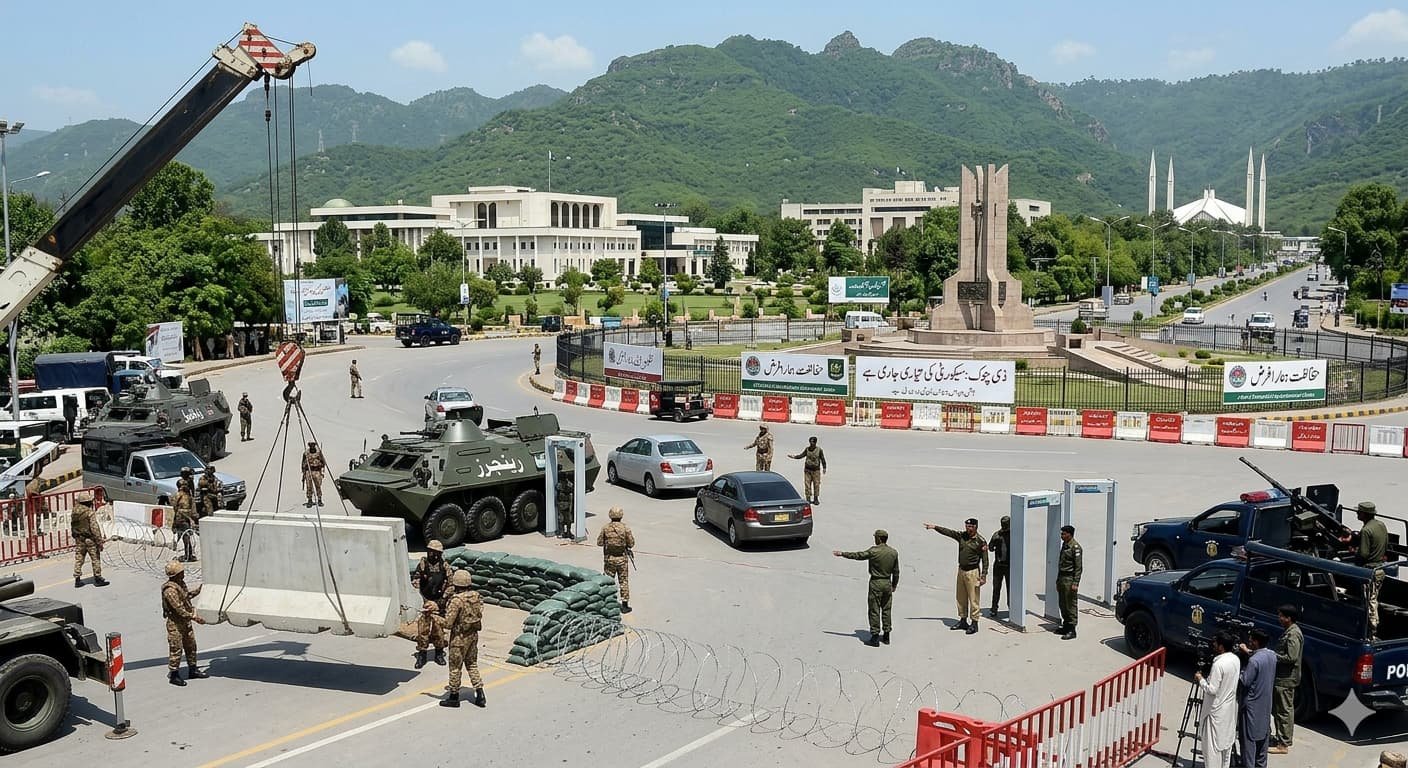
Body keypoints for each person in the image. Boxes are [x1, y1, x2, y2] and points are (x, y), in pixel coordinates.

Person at [833, 529, 900, 647]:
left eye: (875, 537)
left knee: (874, 610)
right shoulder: (893, 552)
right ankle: (886, 636)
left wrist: (843, 554)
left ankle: (874, 637)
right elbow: (896, 572)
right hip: (887, 583)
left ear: (879, 539)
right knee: (886, 609)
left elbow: (858, 555)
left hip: (876, 583)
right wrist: (894, 585)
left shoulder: (873, 551)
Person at [923, 518, 988, 635]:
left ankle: (974, 623)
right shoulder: (961, 536)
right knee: (960, 597)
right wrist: (935, 527)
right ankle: (963, 620)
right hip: (961, 570)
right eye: (966, 526)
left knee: (974, 599)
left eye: (970, 527)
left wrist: (983, 575)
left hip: (973, 572)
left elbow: (985, 560)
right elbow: (948, 532)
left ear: (975, 527)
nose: (967, 528)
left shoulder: (980, 541)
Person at [1193, 630, 1240, 768]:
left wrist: (1200, 679)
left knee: (1212, 749)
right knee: (1225, 747)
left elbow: (1212, 689)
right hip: (1229, 710)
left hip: (1215, 712)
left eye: (1215, 643)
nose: (1213, 645)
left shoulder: (1219, 664)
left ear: (1221, 646)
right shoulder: (1235, 660)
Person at [440, 569, 486, 708]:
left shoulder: (456, 601)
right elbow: (480, 610)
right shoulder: (476, 596)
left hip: (459, 639)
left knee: (455, 668)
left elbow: (448, 623)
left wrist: (434, 617)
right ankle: (480, 693)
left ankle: (454, 696)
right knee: (472, 664)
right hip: (472, 636)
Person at [1343, 501, 1389, 639]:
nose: (1357, 513)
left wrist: (1353, 551)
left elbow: (1363, 554)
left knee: (1370, 602)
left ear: (1364, 514)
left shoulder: (1366, 530)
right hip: (1381, 568)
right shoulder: (1381, 525)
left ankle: (1372, 633)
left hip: (1370, 571)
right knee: (1373, 599)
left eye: (1359, 512)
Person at [162, 559, 208, 686]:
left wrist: (199, 590)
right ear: (175, 574)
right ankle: (174, 674)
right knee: (176, 648)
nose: (183, 573)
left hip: (185, 622)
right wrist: (195, 618)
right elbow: (179, 609)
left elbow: (186, 597)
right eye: (181, 572)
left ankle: (192, 669)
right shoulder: (170, 591)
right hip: (176, 624)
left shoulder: (180, 584)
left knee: (191, 646)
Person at [1237, 628, 1277, 768]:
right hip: (1265, 708)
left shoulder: (1253, 661)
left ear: (1256, 641)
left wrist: (1240, 668)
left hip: (1251, 709)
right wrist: (1247, 652)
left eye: (1251, 640)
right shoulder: (1272, 656)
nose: (1249, 642)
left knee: (1248, 746)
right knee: (1262, 747)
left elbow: (1245, 680)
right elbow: (1260, 657)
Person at [1269, 604, 1303, 755]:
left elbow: (1291, 657)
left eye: (1282, 616)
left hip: (1286, 679)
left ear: (1289, 618)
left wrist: (1272, 655)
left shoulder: (1293, 635)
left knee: (1284, 711)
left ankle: (1283, 744)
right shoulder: (1289, 632)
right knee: (1279, 709)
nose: (1279, 618)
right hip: (1282, 677)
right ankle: (1280, 738)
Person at [411, 540, 451, 668]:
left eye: (435, 553)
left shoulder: (445, 566)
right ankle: (422, 654)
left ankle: (439, 653)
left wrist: (442, 600)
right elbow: (416, 580)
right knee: (423, 630)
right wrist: (421, 598)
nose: (432, 555)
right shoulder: (423, 565)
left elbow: (451, 584)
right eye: (431, 552)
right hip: (425, 601)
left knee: (438, 630)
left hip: (439, 602)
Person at [597, 507, 635, 613]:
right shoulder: (625, 528)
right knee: (623, 581)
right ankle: (625, 605)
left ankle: (608, 602)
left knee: (608, 581)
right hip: (622, 559)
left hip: (609, 559)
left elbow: (599, 542)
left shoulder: (605, 528)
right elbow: (631, 543)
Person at [71, 490, 109, 588]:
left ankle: (77, 579)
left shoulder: (74, 511)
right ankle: (97, 578)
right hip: (89, 539)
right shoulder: (89, 512)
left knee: (79, 559)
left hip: (79, 539)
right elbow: (94, 528)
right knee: (95, 558)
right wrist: (99, 541)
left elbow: (74, 525)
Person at [1056, 525, 1082, 640]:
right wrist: (1058, 580)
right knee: (1063, 604)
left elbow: (1078, 567)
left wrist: (1075, 583)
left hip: (1069, 579)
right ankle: (1066, 626)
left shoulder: (1075, 548)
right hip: (1062, 578)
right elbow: (1061, 564)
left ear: (1069, 534)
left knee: (1070, 605)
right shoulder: (1065, 545)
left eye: (1063, 534)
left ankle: (1072, 629)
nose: (1062, 536)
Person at [787, 436, 827, 504]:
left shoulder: (819, 450)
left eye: (813, 442)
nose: (811, 444)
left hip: (816, 471)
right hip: (807, 470)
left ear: (815, 443)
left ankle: (816, 498)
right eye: (810, 442)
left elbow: (822, 459)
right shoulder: (807, 449)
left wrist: (824, 468)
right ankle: (808, 498)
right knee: (807, 484)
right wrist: (794, 457)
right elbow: (801, 455)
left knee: (816, 484)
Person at [988, 516, 1011, 617]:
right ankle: (994, 608)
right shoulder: (997, 535)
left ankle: (1012, 607)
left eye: (1006, 524)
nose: (1004, 526)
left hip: (1010, 566)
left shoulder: (1013, 534)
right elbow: (990, 548)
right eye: (1003, 524)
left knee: (1010, 588)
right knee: (996, 588)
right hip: (998, 565)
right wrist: (995, 542)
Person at [172, 478, 198, 562]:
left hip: (180, 519)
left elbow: (175, 508)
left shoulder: (177, 495)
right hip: (187, 519)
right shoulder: (189, 496)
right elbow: (194, 511)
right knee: (186, 536)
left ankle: (188, 556)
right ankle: (189, 554)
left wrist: (174, 523)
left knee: (185, 537)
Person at [302, 442, 326, 507]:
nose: (312, 446)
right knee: (309, 486)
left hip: (317, 471)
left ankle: (319, 499)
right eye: (310, 445)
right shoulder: (306, 453)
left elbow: (323, 462)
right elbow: (303, 463)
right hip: (308, 471)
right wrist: (303, 473)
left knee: (318, 485)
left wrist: (322, 471)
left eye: (313, 445)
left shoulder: (318, 453)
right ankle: (309, 500)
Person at [556, 460, 575, 539]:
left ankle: (568, 531)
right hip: (561, 503)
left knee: (568, 519)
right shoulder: (560, 485)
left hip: (567, 503)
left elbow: (571, 487)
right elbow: (558, 487)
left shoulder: (568, 484)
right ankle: (562, 531)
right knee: (561, 519)